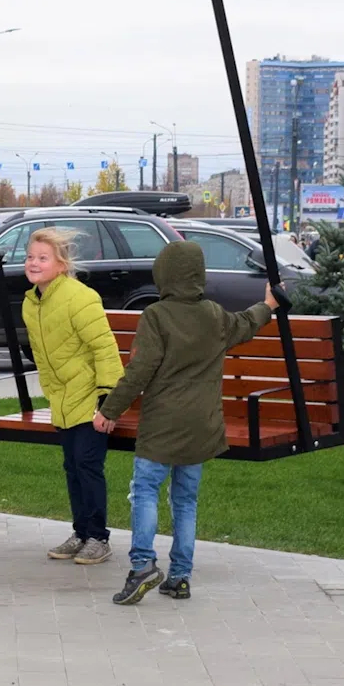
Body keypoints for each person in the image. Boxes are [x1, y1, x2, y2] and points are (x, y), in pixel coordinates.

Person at [95, 241, 277, 603]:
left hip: (163, 425)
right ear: (198, 276)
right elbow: (246, 323)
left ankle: (143, 565)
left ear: (163, 275)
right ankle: (179, 577)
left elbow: (140, 371)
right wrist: (269, 305)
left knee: (145, 491)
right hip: (202, 426)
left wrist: (109, 411)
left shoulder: (156, 316)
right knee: (185, 500)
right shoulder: (214, 315)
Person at [21, 226, 124, 566]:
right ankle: (81, 533)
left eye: (42, 258)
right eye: (30, 257)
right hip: (62, 400)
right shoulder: (32, 302)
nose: (33, 263)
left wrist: (108, 401)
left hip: (90, 400)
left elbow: (105, 349)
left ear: (62, 265)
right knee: (72, 467)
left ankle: (98, 537)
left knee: (87, 465)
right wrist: (53, 395)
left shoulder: (79, 297)